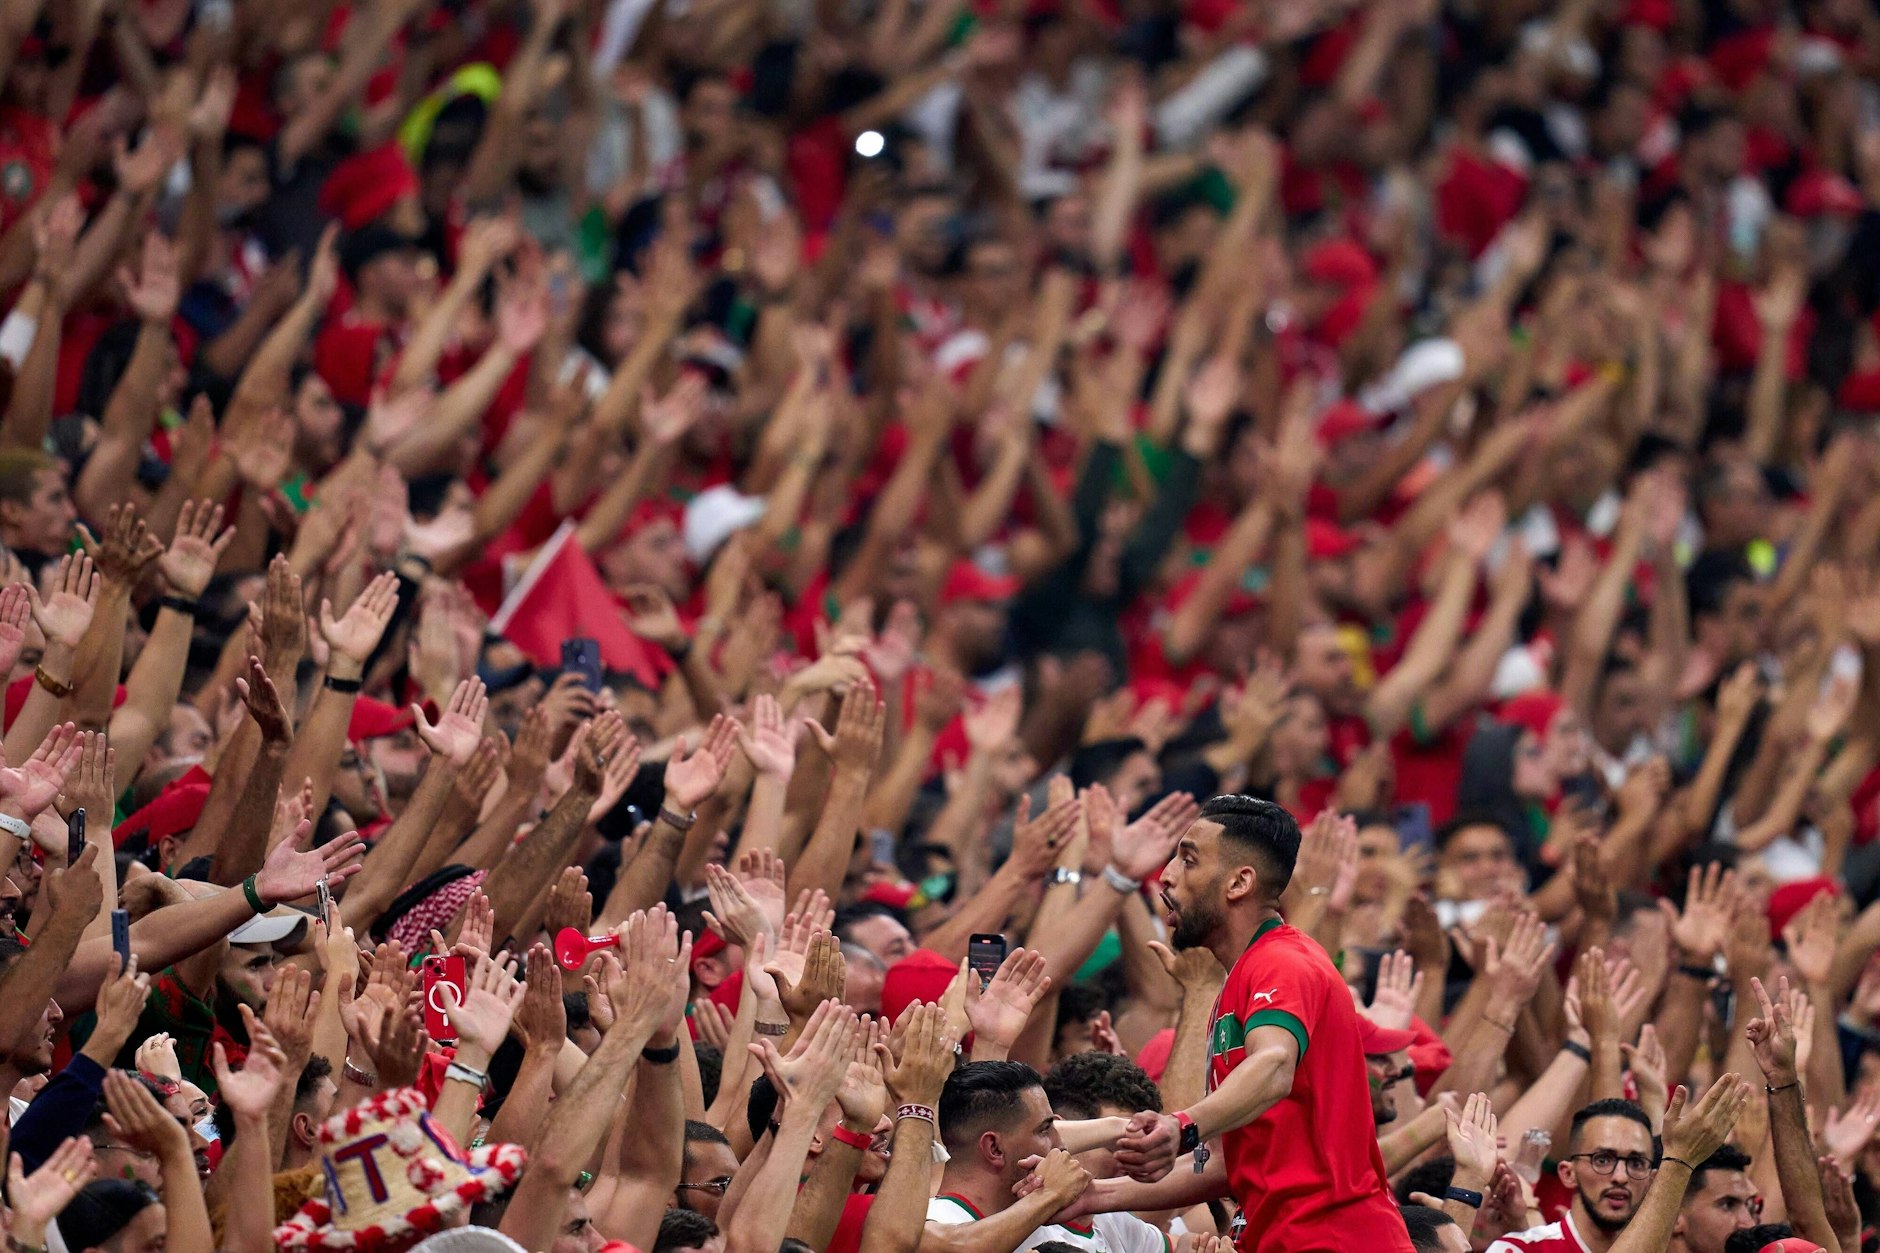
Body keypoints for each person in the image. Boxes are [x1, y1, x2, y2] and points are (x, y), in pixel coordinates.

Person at [1064, 795, 1414, 1251]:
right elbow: (1228, 1164)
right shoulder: (1237, 982)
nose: (1167, 875)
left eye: (1188, 859)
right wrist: (1091, 1195)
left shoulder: (1283, 962)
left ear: (1239, 883)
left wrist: (1183, 1125)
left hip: (1335, 1238)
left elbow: (1273, 1065)